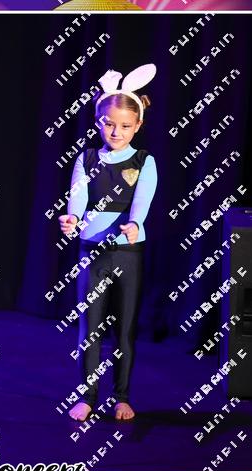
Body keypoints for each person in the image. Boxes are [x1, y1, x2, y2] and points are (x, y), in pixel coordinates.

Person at [58, 64, 158, 421]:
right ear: (99, 121)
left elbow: (142, 199)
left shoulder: (144, 161)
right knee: (90, 328)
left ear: (138, 125)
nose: (116, 132)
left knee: (125, 329)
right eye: (109, 124)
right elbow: (78, 198)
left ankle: (122, 396)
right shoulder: (86, 158)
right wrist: (71, 220)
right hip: (92, 251)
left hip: (128, 252)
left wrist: (134, 223)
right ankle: (87, 396)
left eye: (125, 126)